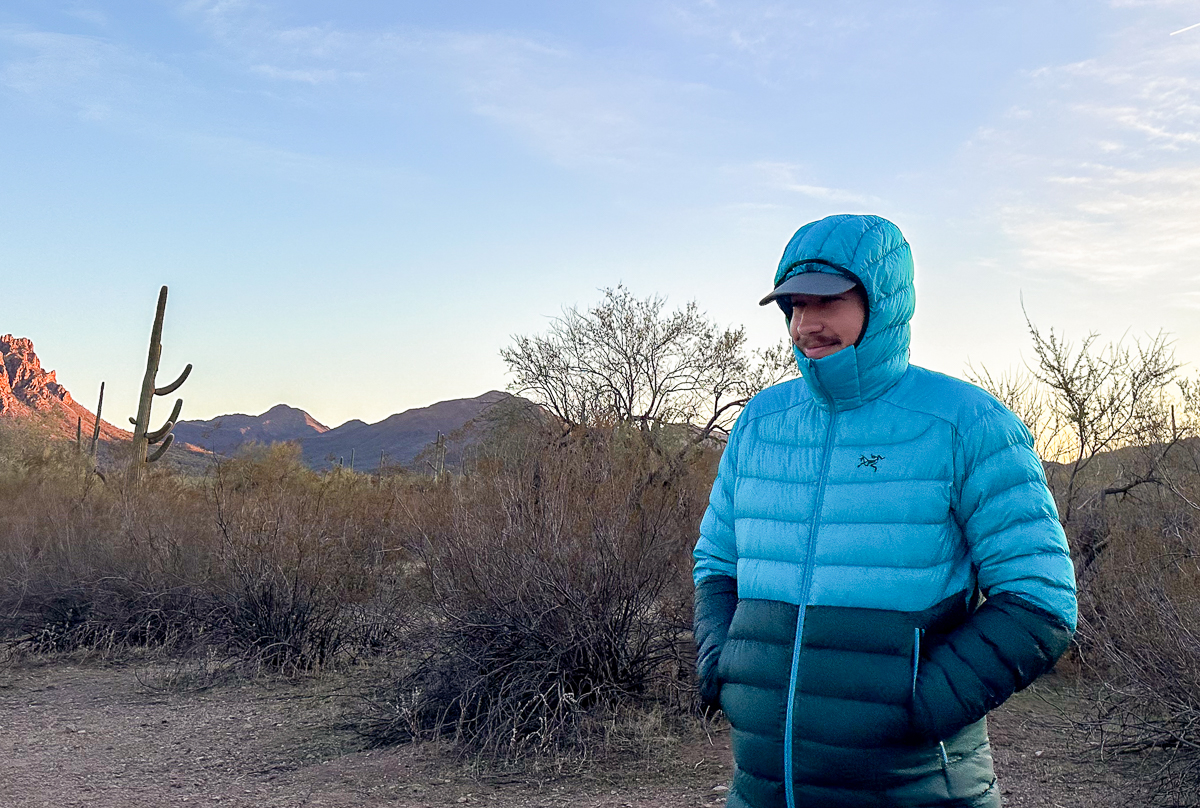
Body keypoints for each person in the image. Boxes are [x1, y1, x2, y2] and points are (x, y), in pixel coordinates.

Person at [692, 214, 1077, 808]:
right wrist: (726, 667)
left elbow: (1039, 599)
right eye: (793, 304)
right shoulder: (761, 423)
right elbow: (717, 564)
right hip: (764, 787)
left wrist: (917, 705)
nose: (805, 323)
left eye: (828, 300)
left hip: (916, 788)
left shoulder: (964, 422)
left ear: (882, 301)